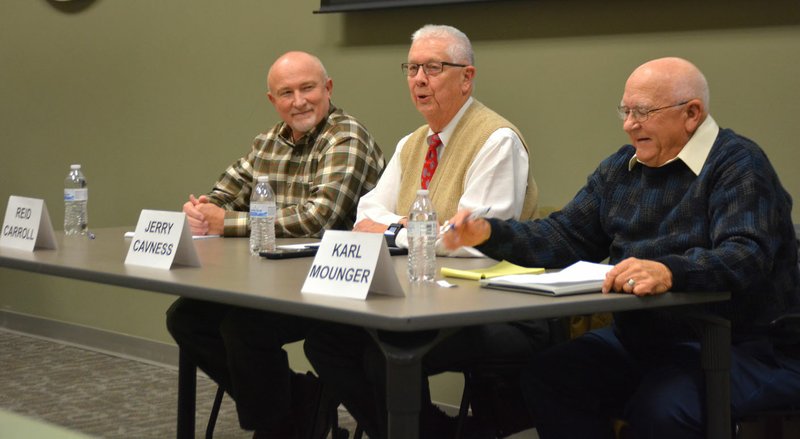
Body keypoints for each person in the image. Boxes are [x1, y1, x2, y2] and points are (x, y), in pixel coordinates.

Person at [442, 57, 800, 439]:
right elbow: (562, 237)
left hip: (743, 344)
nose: (629, 124)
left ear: (692, 113)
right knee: (550, 377)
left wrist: (669, 271)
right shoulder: (620, 170)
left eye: (643, 112)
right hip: (646, 340)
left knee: (662, 408)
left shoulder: (738, 164)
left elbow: (746, 255)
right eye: (626, 111)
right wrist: (489, 234)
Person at [304, 25, 546, 439]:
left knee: (385, 353)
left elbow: (472, 240)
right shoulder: (412, 143)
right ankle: (429, 432)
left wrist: (395, 230)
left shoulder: (497, 140)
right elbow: (367, 212)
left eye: (433, 68)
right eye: (412, 68)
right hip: (417, 294)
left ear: (466, 77)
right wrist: (412, 228)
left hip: (490, 305)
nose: (418, 79)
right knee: (326, 341)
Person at [166, 51, 385, 438]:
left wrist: (226, 222)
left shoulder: (347, 136)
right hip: (274, 280)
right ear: (273, 100)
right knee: (186, 317)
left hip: (334, 283)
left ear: (328, 88)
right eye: (286, 93)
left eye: (308, 89)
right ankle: (299, 401)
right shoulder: (267, 141)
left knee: (243, 328)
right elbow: (223, 194)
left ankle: (279, 427)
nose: (298, 101)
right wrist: (201, 211)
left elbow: (319, 218)